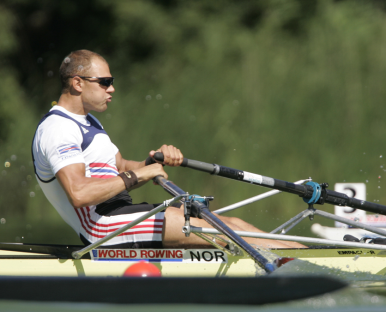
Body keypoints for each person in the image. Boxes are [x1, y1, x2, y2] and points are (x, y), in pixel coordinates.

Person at [32, 49, 305, 250]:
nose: (112, 88)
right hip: (101, 226)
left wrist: (151, 162)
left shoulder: (88, 121)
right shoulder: (58, 129)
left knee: (234, 224)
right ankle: (313, 266)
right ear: (78, 83)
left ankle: (312, 256)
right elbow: (79, 194)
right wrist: (141, 175)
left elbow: (121, 169)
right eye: (104, 82)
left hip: (121, 214)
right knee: (222, 233)